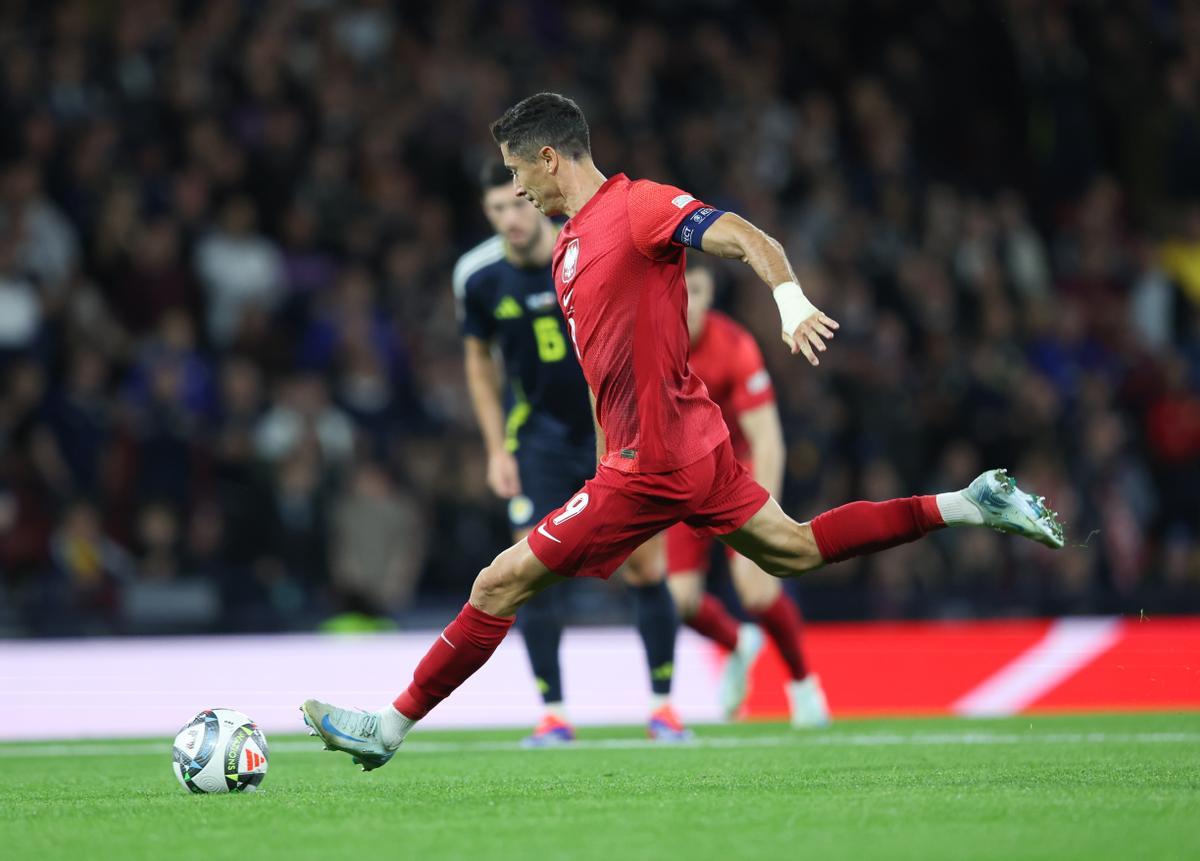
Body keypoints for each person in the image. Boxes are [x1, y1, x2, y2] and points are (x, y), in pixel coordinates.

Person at [302, 93, 1063, 770]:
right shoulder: (566, 250)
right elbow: (609, 375)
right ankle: (969, 503)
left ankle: (387, 727)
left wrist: (788, 297)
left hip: (654, 463)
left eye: (516, 173)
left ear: (547, 157)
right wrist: (603, 461)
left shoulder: (637, 207)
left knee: (497, 582)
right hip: (685, 448)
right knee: (793, 548)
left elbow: (744, 236)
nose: (515, 190)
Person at [454, 161, 688, 743]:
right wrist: (494, 448)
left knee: (645, 564)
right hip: (536, 439)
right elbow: (479, 363)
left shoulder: (582, 250)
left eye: (516, 203)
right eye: (497, 210)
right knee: (529, 568)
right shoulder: (477, 277)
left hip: (613, 425)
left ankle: (663, 707)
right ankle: (553, 714)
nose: (511, 218)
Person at [667, 261, 829, 728]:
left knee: (757, 589)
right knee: (679, 601)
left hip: (736, 470)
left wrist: (768, 516)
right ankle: (739, 645)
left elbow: (768, 440)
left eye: (696, 290)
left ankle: (803, 684)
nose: (688, 302)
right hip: (682, 475)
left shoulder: (735, 346)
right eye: (680, 291)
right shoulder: (656, 346)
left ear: (711, 293)